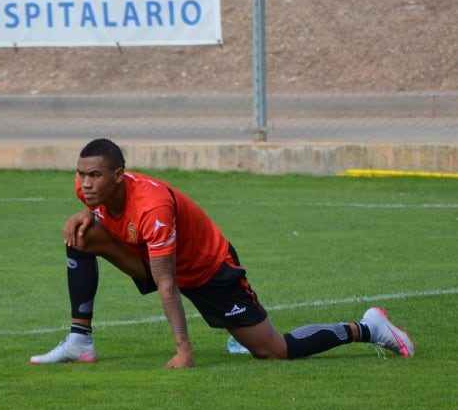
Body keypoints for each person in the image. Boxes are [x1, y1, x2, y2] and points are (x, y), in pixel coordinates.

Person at [30, 138, 415, 368]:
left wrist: (184, 349)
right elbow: (109, 222)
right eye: (81, 174)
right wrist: (86, 213)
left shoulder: (154, 208)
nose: (85, 183)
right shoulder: (88, 192)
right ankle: (80, 340)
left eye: (94, 176)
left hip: (208, 270)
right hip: (152, 258)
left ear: (117, 176)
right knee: (79, 234)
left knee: (274, 352)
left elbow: (167, 284)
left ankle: (367, 328)